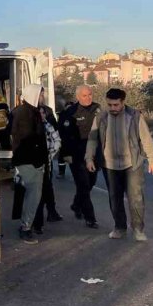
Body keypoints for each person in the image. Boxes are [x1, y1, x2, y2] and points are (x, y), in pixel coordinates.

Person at [85, 88, 153, 241]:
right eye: (110, 105)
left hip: (132, 164)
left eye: (116, 105)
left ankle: (138, 229)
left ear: (123, 102)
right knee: (115, 198)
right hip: (110, 165)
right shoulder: (101, 117)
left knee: (136, 198)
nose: (112, 108)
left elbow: (146, 139)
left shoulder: (134, 116)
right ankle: (120, 227)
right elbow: (92, 139)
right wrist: (89, 158)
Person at [59, 85, 101, 229]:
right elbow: (63, 136)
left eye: (90, 94)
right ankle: (90, 218)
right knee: (83, 185)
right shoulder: (71, 112)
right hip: (77, 155)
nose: (88, 97)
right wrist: (65, 155)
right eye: (84, 95)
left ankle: (76, 204)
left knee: (90, 183)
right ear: (78, 97)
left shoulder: (99, 109)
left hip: (95, 154)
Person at [11, 84, 48, 244]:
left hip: (32, 161)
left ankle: (28, 225)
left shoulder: (33, 112)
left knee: (32, 196)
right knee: (33, 197)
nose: (43, 98)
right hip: (29, 162)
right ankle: (26, 228)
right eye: (41, 95)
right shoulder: (24, 113)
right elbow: (28, 138)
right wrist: (37, 161)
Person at [32, 102, 63, 234]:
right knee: (35, 195)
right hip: (33, 166)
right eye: (39, 113)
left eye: (43, 113)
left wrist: (50, 154)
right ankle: (35, 222)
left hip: (47, 165)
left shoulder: (48, 126)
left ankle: (42, 221)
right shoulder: (31, 127)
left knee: (45, 191)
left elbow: (57, 140)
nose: (41, 115)